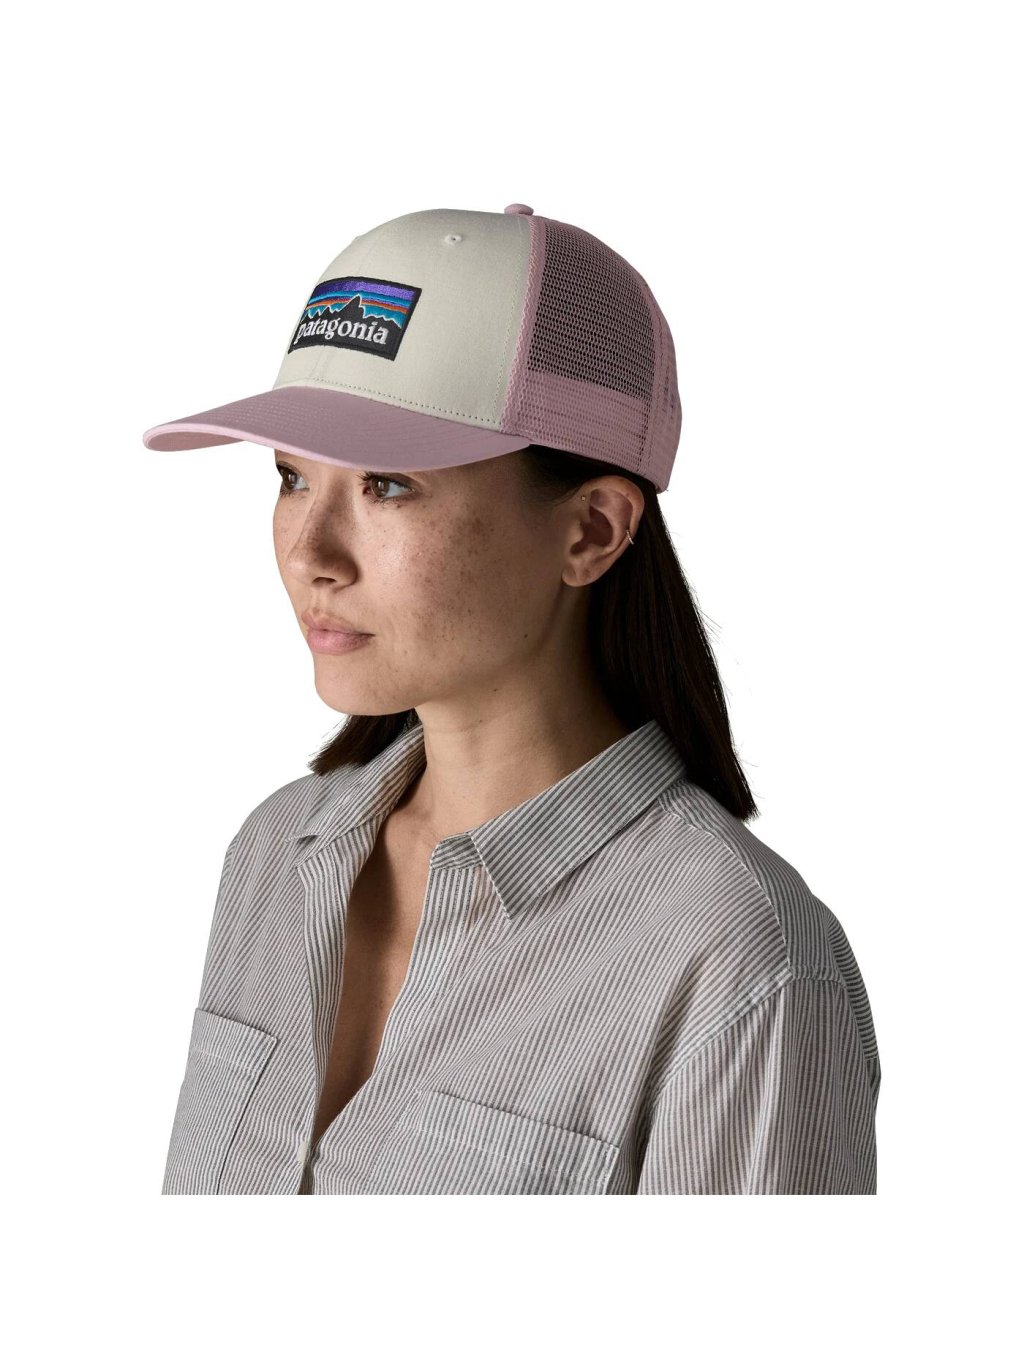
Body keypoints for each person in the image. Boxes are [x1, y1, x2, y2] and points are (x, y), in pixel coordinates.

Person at [143, 203, 881, 1195]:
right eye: (291, 478)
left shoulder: (736, 962)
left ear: (591, 531)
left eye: (388, 485)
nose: (311, 552)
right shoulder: (275, 857)